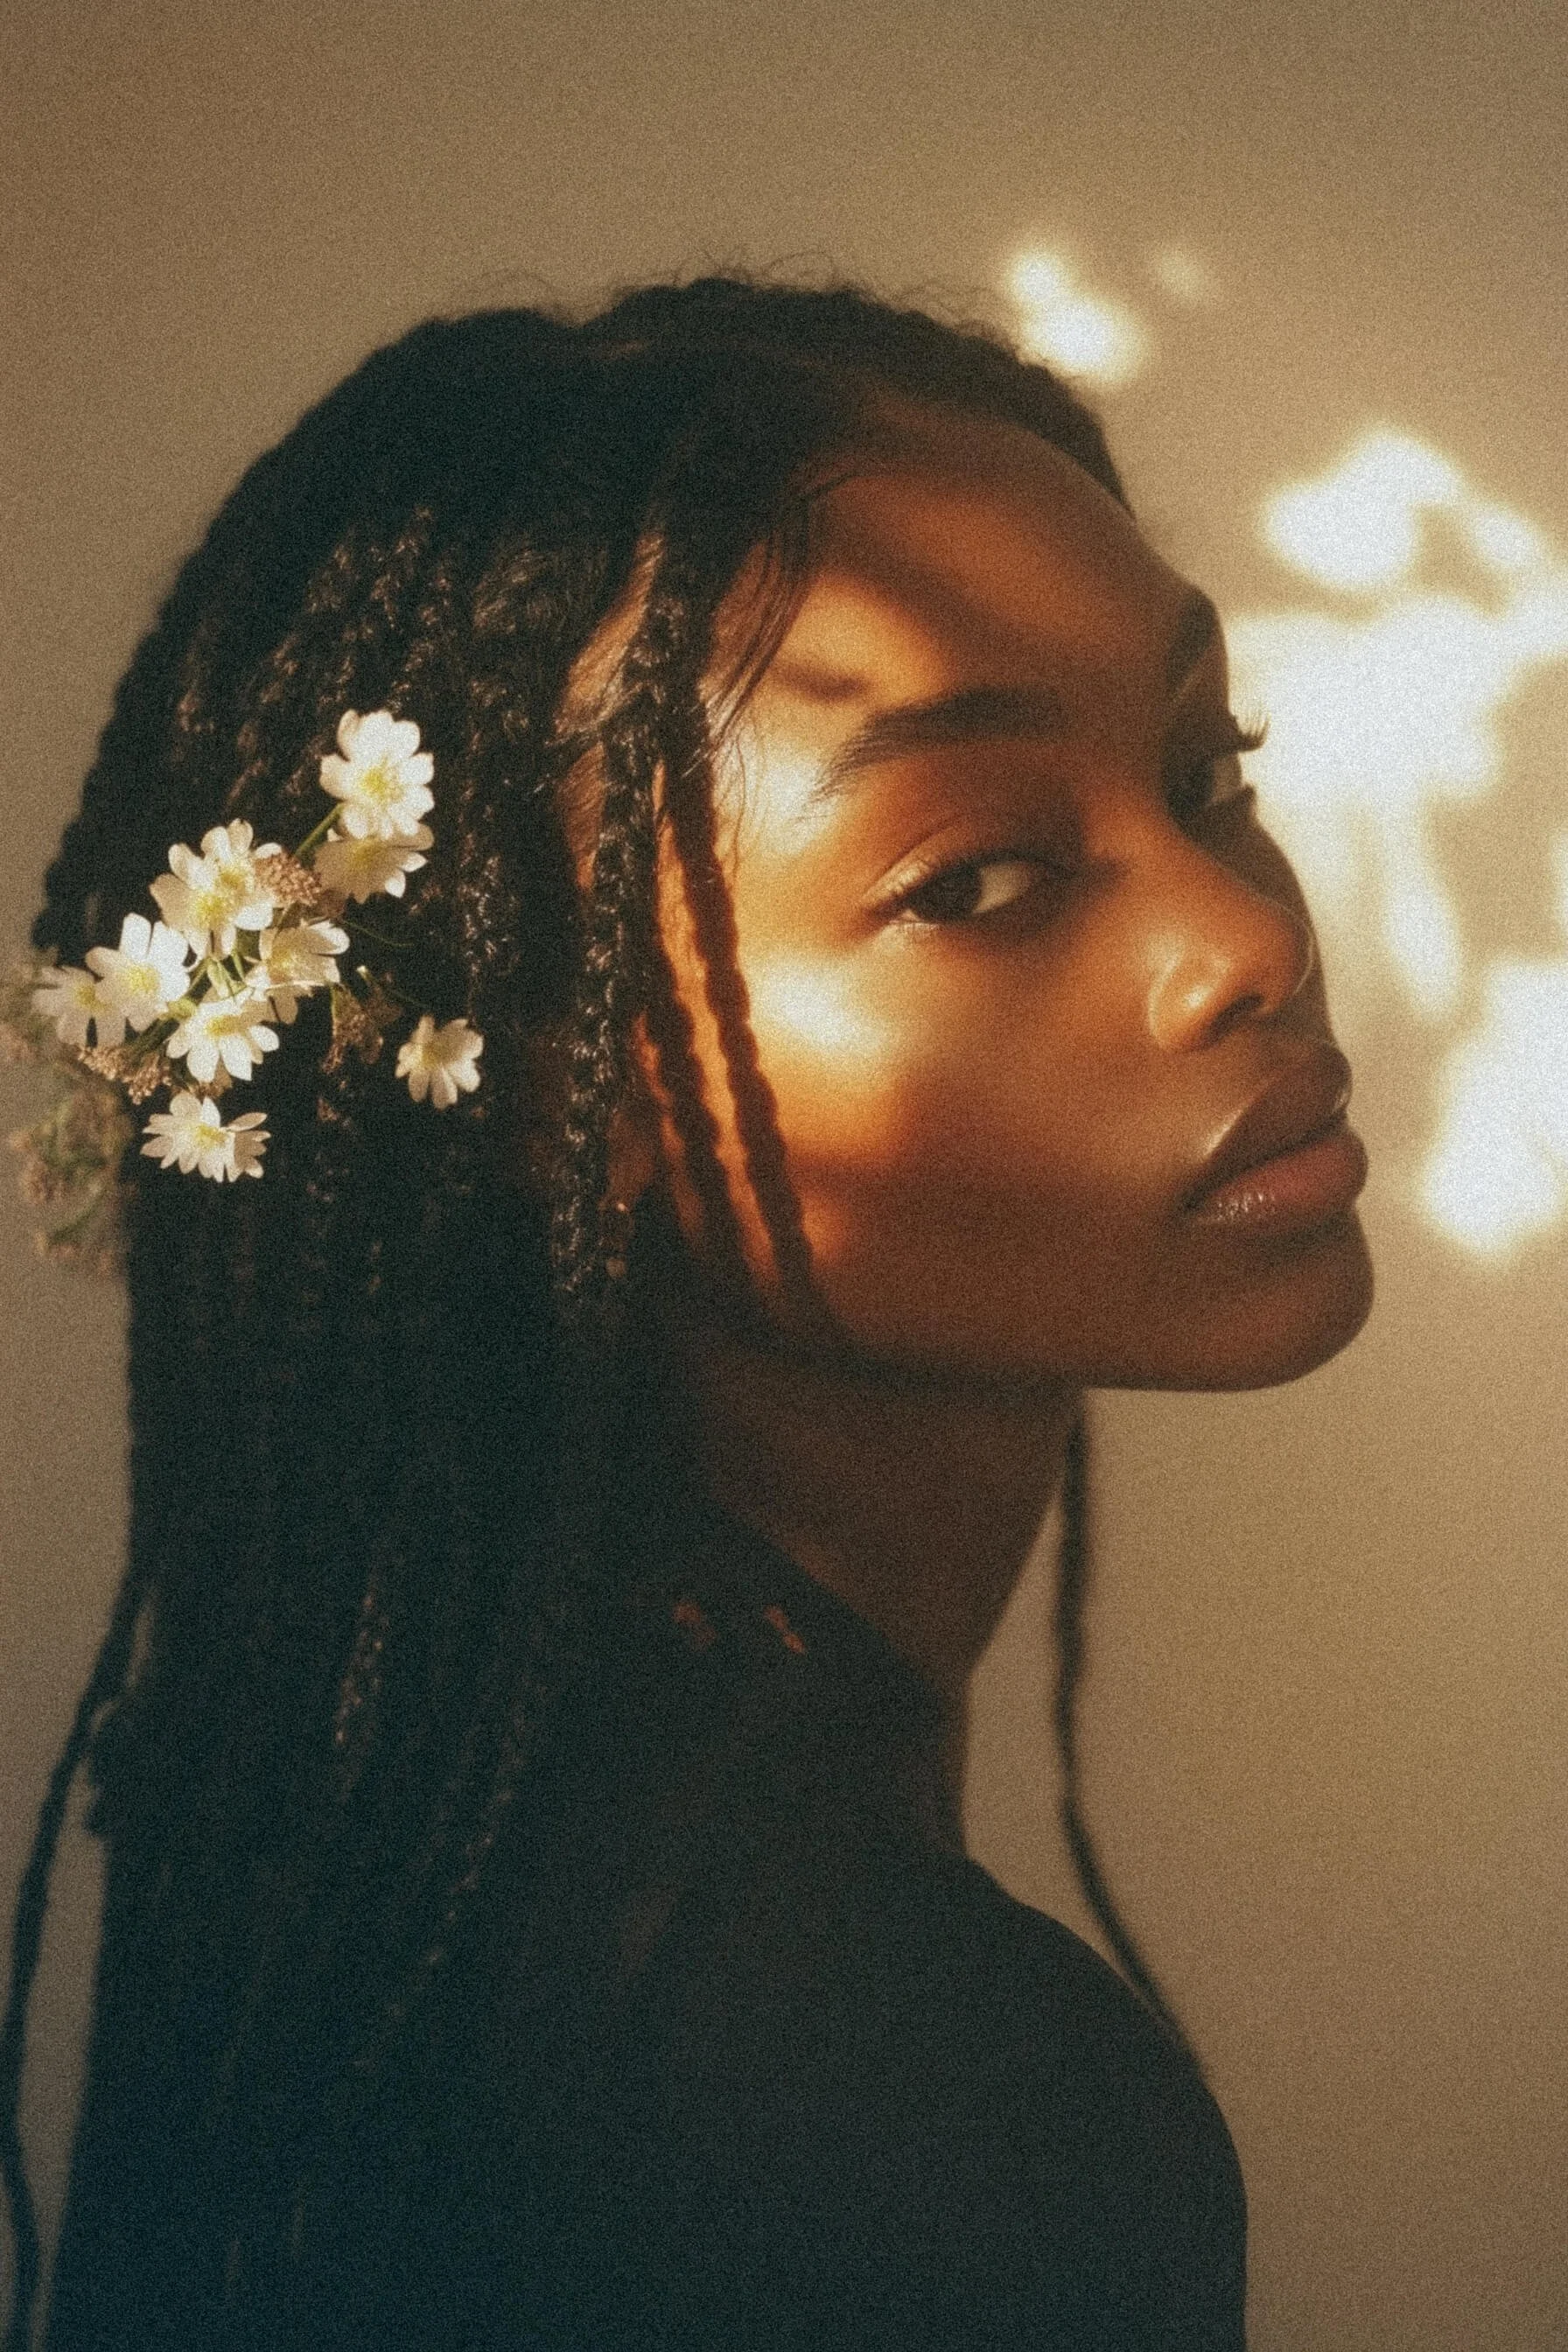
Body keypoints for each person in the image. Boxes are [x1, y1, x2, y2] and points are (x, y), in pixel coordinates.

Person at [1, 276, 1372, 2351]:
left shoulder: (466, 1856)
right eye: (978, 876)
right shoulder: (900, 2102)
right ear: (549, 1102)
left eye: (1205, 765)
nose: (1245, 937)